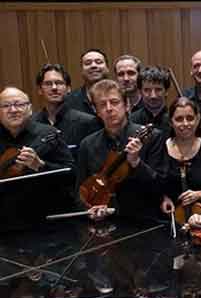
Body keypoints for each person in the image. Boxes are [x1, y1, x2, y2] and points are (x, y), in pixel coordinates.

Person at [76, 79, 167, 221]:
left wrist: (136, 162)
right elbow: (80, 191)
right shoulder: (87, 145)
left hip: (144, 222)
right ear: (96, 111)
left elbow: (160, 187)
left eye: (114, 102)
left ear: (127, 105)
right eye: (102, 104)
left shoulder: (152, 137)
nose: (109, 108)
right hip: (104, 224)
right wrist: (88, 210)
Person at [0, 86, 74, 229]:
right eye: (6, 106)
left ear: (30, 108)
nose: (13, 110)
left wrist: (40, 165)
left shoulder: (49, 134)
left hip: (44, 222)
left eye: (19, 104)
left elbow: (71, 174)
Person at [159, 97, 201, 219]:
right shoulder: (161, 148)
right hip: (168, 218)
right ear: (171, 122)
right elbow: (155, 182)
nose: (185, 124)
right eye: (179, 119)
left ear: (197, 120)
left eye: (190, 118)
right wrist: (163, 198)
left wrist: (199, 194)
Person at [32, 63, 101, 154]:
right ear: (40, 90)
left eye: (59, 83)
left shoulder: (87, 122)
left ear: (68, 88)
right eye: (48, 84)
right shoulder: (31, 124)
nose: (54, 88)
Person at [63, 48, 110, 116]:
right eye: (88, 63)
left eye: (99, 62)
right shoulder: (69, 101)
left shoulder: (120, 95)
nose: (93, 65)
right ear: (82, 70)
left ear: (107, 68)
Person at [129, 66, 172, 137]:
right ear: (140, 92)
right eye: (147, 90)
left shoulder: (174, 120)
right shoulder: (131, 120)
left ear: (166, 91)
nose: (153, 96)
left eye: (158, 90)